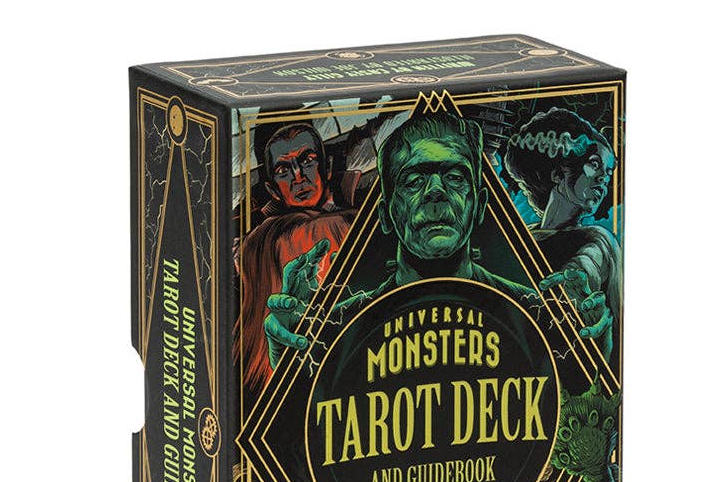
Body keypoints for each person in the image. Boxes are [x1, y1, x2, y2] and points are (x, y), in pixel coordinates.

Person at [262, 111, 538, 367]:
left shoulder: (534, 314)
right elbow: (301, 381)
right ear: (385, 215)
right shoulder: (340, 328)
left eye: (455, 177)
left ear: (479, 205)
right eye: (414, 181)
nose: (436, 192)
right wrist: (288, 355)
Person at [237, 123, 355, 394]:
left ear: (326, 167)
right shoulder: (264, 240)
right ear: (272, 189)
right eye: (283, 170)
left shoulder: (356, 215)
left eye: (307, 161)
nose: (298, 177)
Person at [502, 107, 621, 365]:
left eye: (609, 172)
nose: (604, 178)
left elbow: (588, 263)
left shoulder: (596, 239)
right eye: (595, 164)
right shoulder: (522, 236)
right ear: (558, 174)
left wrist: (576, 283)